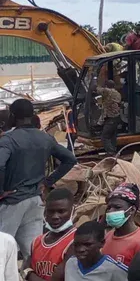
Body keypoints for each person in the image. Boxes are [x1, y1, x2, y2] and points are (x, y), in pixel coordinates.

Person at [0, 99, 78, 259]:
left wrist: (1, 191)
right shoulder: (45, 138)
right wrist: (47, 182)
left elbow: (0, 164)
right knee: (33, 251)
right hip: (36, 200)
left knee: (2, 248)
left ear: (13, 116)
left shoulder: (8, 139)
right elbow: (70, 159)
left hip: (12, 201)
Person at [26, 189, 76, 281]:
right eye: (50, 211)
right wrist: (27, 272)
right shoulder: (37, 241)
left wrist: (29, 274)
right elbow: (25, 267)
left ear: (72, 210)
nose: (55, 216)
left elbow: (26, 270)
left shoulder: (76, 240)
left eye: (61, 211)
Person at [100, 185, 140, 267]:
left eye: (117, 207)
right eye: (109, 207)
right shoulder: (108, 236)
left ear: (132, 210)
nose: (111, 211)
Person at [94, 82, 122, 156]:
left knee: (104, 136)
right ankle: (114, 151)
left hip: (111, 118)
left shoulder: (108, 91)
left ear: (106, 86)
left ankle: (111, 152)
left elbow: (98, 89)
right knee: (112, 136)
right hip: (116, 117)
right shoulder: (117, 93)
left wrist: (94, 84)